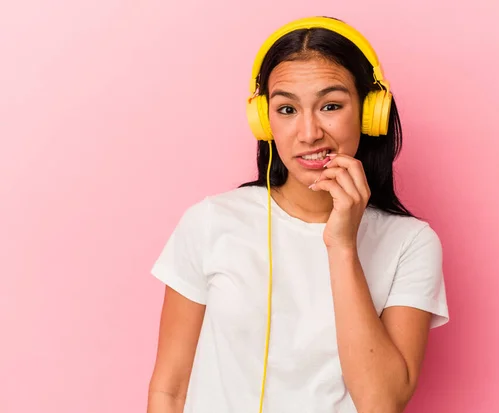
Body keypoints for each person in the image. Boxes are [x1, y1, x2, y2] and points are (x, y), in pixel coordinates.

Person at [147, 16, 449, 413]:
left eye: (330, 106)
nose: (308, 133)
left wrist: (341, 246)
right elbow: (170, 390)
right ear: (264, 121)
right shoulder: (210, 222)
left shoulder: (411, 243)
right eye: (287, 108)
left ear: (368, 111)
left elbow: (382, 403)